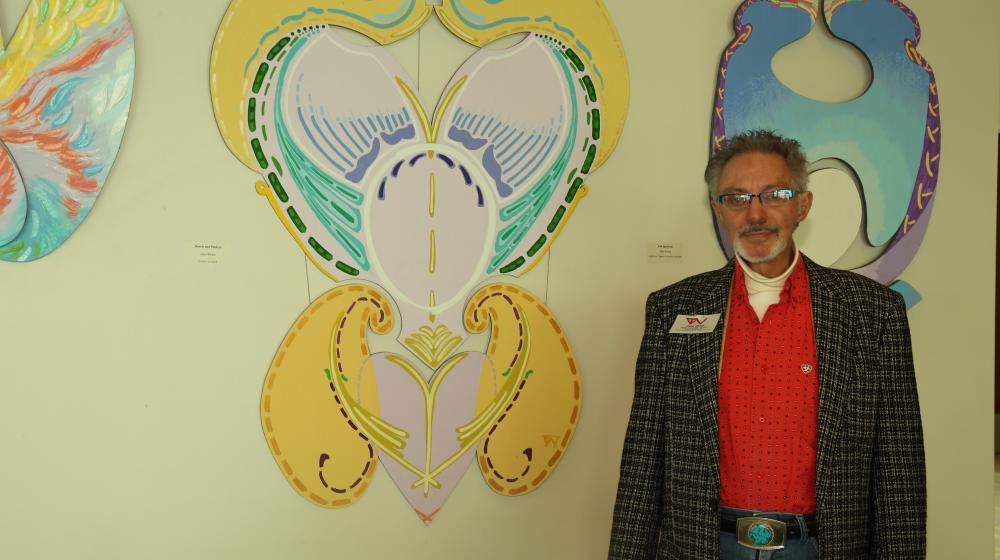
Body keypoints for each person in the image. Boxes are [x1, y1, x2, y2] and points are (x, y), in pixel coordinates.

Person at [607, 130, 925, 559]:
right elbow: (642, 462)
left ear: (803, 204)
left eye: (774, 194)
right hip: (702, 547)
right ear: (717, 210)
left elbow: (899, 472)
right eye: (736, 198)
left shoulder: (872, 313)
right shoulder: (673, 308)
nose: (754, 213)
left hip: (822, 547)